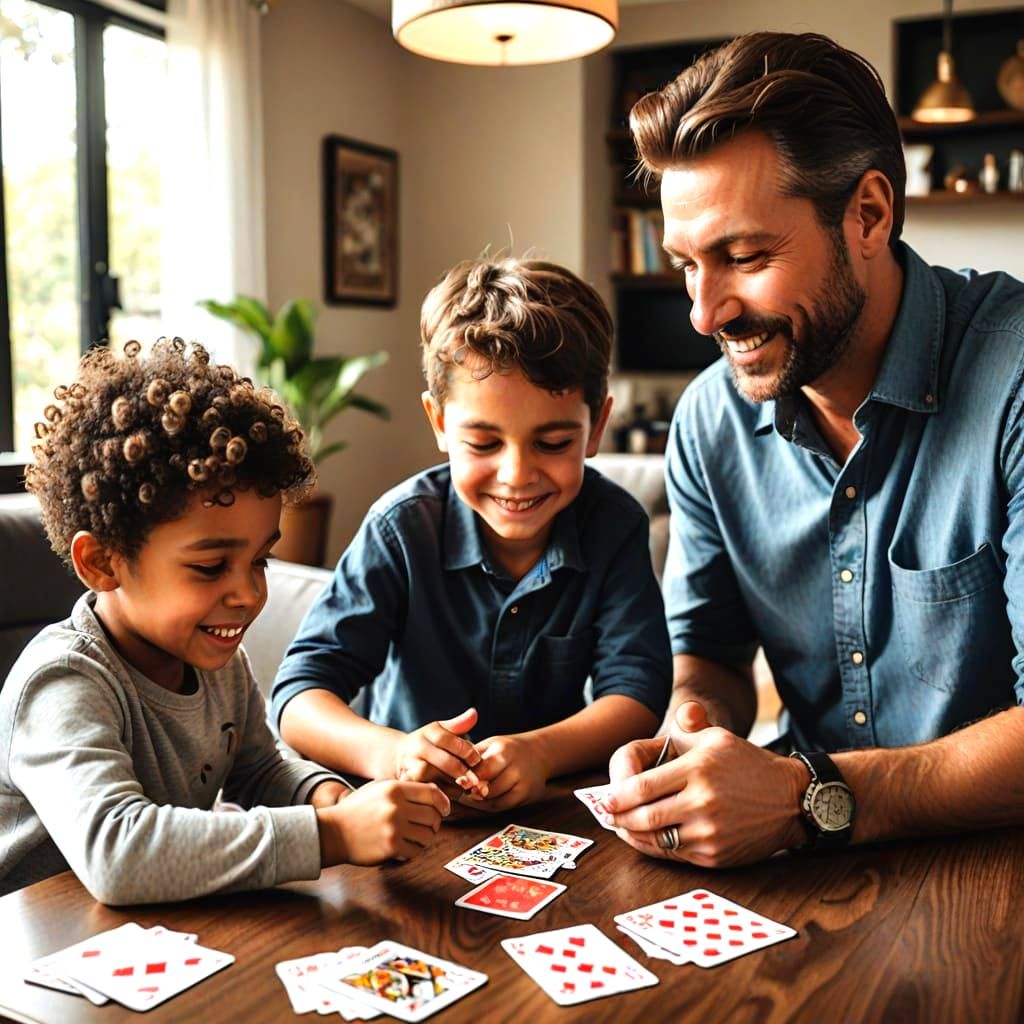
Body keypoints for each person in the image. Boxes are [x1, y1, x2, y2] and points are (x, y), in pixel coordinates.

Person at [600, 31, 1024, 867]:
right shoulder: (708, 424)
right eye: (688, 265)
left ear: (868, 213)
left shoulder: (1014, 380)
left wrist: (811, 796)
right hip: (806, 866)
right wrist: (691, 732)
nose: (704, 313)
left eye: (745, 257)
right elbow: (711, 660)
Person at [0, 338, 449, 904]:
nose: (247, 593)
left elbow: (260, 771)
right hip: (27, 969)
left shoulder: (219, 665)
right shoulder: (63, 682)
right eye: (211, 566)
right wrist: (332, 835)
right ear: (103, 562)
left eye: (259, 559)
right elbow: (119, 853)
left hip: (152, 943)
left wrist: (332, 801)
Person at [271, 257, 671, 811]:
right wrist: (393, 755)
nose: (516, 474)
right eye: (483, 444)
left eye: (553, 443)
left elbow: (637, 694)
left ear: (596, 426)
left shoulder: (615, 526)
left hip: (546, 812)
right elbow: (297, 697)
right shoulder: (401, 529)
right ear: (439, 423)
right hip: (402, 819)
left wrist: (541, 753)